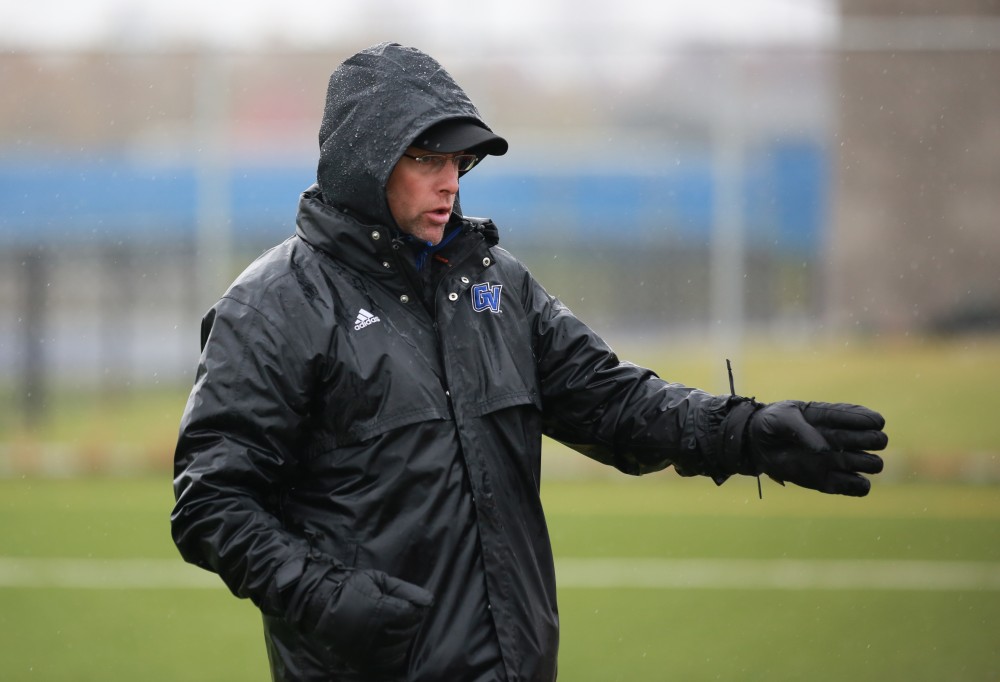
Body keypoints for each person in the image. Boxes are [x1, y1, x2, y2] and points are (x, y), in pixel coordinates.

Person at [171, 42, 888, 682]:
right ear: (365, 160)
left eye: (458, 161)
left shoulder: (496, 284)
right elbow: (211, 502)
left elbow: (614, 402)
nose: (450, 182)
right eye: (426, 159)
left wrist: (745, 430)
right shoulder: (274, 306)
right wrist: (327, 597)